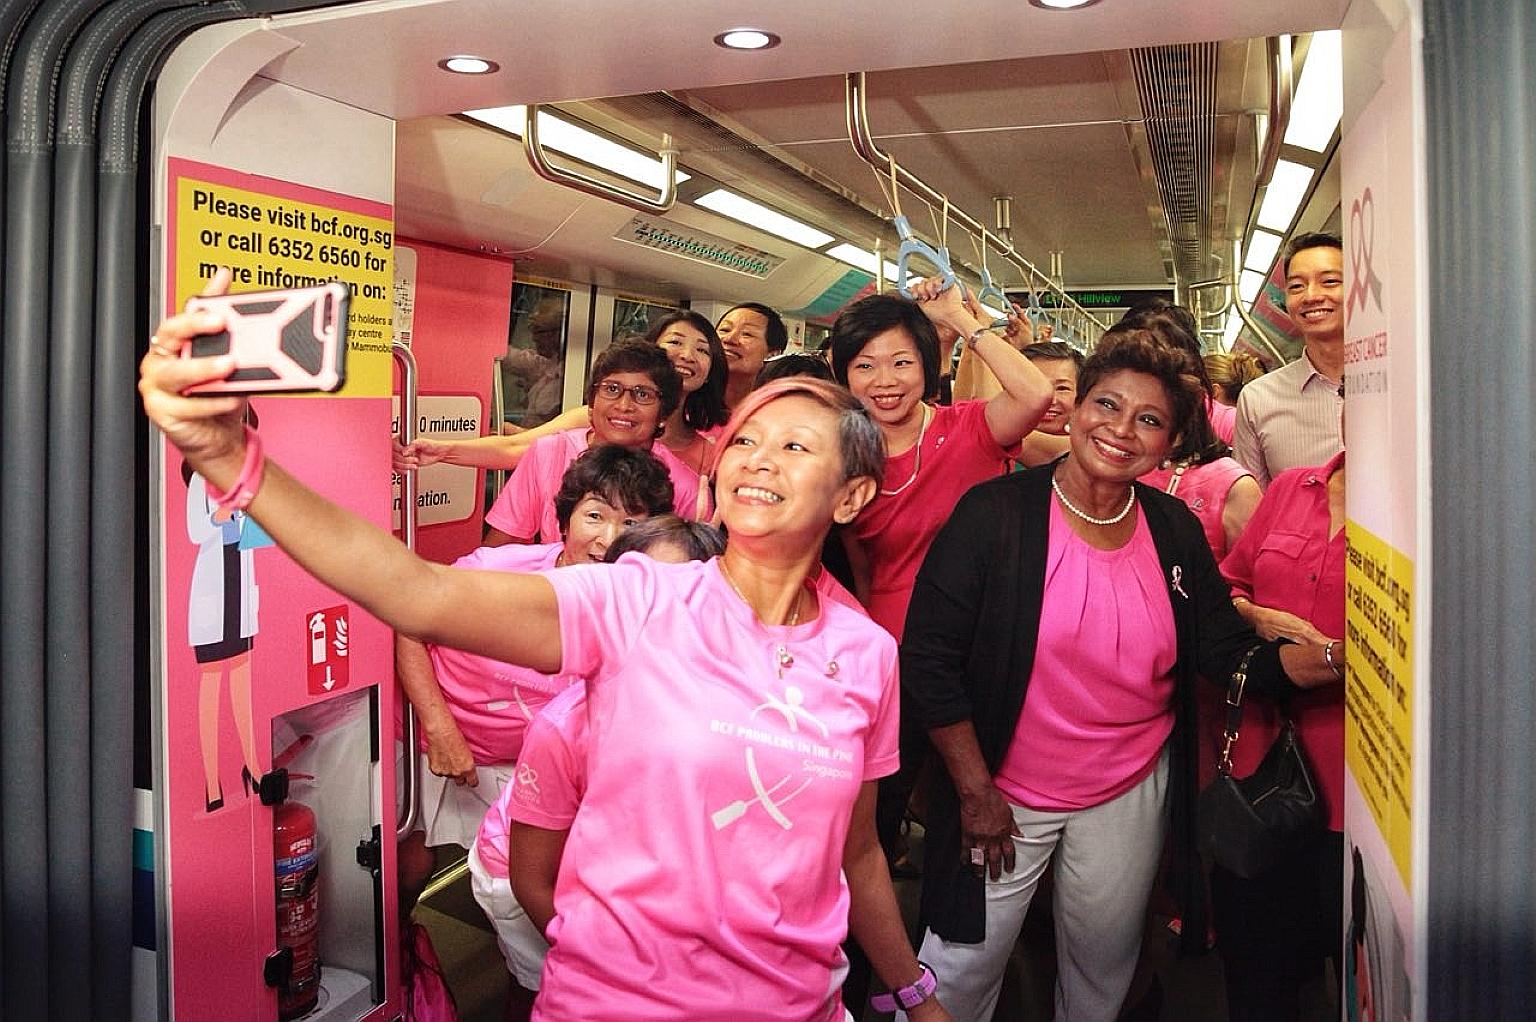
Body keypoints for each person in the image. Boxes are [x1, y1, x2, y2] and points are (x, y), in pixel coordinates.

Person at [140, 286, 952, 1021]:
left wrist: (916, 994)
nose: (760, 460)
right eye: (747, 441)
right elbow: (418, 594)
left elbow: (856, 851)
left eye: (796, 448)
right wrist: (233, 463)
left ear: (850, 496)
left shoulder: (866, 654)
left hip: (797, 1006)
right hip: (618, 1002)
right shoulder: (637, 600)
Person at [897, 325, 1343, 1022]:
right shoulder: (996, 516)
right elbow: (929, 658)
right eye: (1106, 405)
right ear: (1074, 413)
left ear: (1170, 444)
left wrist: (1337, 661)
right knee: (960, 965)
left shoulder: (1170, 527)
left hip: (1127, 793)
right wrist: (974, 791)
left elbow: (1223, 653)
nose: (1121, 430)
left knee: (1104, 968)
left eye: (1149, 420)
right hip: (1005, 795)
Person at [396, 445, 676, 925]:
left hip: (536, 776)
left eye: (631, 524)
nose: (609, 539)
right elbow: (407, 621)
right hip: (441, 748)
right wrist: (439, 730)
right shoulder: (497, 571)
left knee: (525, 895)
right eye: (595, 515)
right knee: (409, 866)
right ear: (564, 520)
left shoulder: (647, 607)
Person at [468, 515, 723, 1020]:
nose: (662, 611)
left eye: (687, 594)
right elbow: (531, 881)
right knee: (544, 981)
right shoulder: (568, 726)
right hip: (521, 879)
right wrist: (595, 965)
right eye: (640, 594)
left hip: (596, 870)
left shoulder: (716, 701)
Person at [1212, 405, 1346, 1022]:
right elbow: (1230, 585)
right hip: (1263, 766)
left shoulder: (1422, 511)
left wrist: (1329, 658)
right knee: (1258, 962)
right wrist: (1257, 615)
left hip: (1360, 781)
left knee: (1351, 967)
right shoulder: (1293, 487)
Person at [829, 286, 1052, 641]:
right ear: (844, 375)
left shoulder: (970, 429)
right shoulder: (840, 457)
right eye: (865, 366)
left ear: (927, 364)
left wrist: (957, 318)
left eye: (902, 363)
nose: (885, 381)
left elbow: (1036, 394)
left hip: (983, 637)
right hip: (893, 639)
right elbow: (862, 575)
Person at [400, 312, 729, 518]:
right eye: (675, 342)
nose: (687, 355)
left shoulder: (709, 454)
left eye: (702, 349)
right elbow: (517, 450)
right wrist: (444, 450)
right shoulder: (590, 422)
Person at [481, 339, 699, 545]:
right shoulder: (550, 452)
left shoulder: (687, 489)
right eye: (612, 389)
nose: (624, 406)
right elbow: (497, 553)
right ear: (592, 401)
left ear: (664, 413)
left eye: (643, 394)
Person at [1233, 233, 1345, 487]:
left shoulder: (1405, 383)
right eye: (1296, 286)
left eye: (1329, 281)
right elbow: (1255, 510)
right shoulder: (1258, 399)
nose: (1311, 296)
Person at [716, 302, 788, 412]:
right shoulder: (686, 397)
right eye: (725, 330)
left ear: (773, 354)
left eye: (747, 334)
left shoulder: (776, 412)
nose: (729, 339)